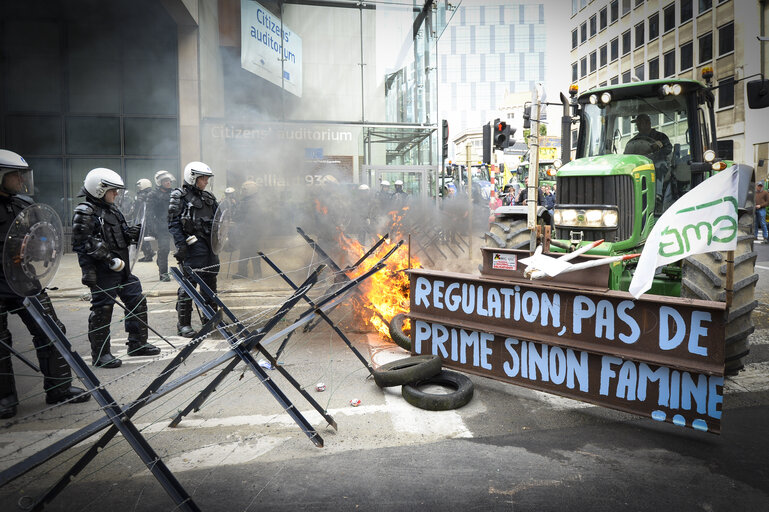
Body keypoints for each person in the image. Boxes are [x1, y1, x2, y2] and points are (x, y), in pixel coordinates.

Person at [0, 150, 90, 418]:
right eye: (14, 174)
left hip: (25, 279)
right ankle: (5, 399)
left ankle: (59, 388)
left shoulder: (22, 204)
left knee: (51, 329)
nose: (20, 179)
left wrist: (41, 249)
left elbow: (38, 236)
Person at [72, 168, 161, 368]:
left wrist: (133, 232)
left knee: (136, 297)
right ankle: (101, 354)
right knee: (103, 310)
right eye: (113, 190)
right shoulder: (85, 212)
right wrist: (90, 270)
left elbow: (121, 236)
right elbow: (82, 244)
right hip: (103, 271)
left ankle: (137, 343)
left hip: (122, 268)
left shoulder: (112, 210)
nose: (117, 194)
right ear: (99, 189)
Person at [169, 161, 219, 337]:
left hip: (209, 246)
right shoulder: (179, 196)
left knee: (210, 282)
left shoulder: (209, 198)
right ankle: (183, 324)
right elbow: (174, 223)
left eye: (206, 179)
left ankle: (211, 319)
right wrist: (181, 245)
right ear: (193, 177)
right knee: (189, 284)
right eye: (202, 178)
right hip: (192, 246)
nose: (205, 182)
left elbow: (219, 221)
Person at [147, 170, 176, 281]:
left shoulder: (174, 193)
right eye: (165, 181)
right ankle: (163, 273)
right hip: (161, 226)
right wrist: (152, 228)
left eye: (169, 180)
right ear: (159, 182)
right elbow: (149, 213)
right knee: (164, 249)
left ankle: (185, 273)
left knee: (181, 248)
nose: (168, 182)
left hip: (174, 224)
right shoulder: (153, 195)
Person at [233, 180, 262, 280]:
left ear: (250, 190)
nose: (242, 191)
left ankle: (252, 273)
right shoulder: (249, 201)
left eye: (244, 189)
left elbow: (242, 217)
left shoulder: (250, 203)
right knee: (245, 252)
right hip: (249, 231)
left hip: (250, 232)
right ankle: (245, 272)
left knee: (252, 253)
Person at [131, 178, 154, 263]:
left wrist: (133, 210)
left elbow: (137, 205)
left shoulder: (143, 194)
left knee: (141, 237)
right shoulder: (151, 193)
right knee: (143, 236)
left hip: (144, 219)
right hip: (148, 219)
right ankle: (149, 253)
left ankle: (148, 254)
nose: (138, 188)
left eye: (139, 186)